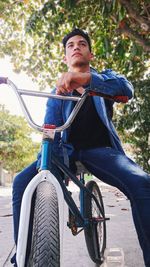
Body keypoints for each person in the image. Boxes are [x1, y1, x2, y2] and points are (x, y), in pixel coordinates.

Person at [11, 28, 150, 267]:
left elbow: (125, 89)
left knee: (141, 182)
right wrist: (47, 161)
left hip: (102, 151)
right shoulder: (58, 91)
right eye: (71, 45)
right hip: (65, 151)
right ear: (65, 57)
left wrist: (85, 80)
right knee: (21, 183)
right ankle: (22, 256)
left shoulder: (104, 78)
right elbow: (50, 130)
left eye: (82, 43)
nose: (76, 47)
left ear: (90, 54)